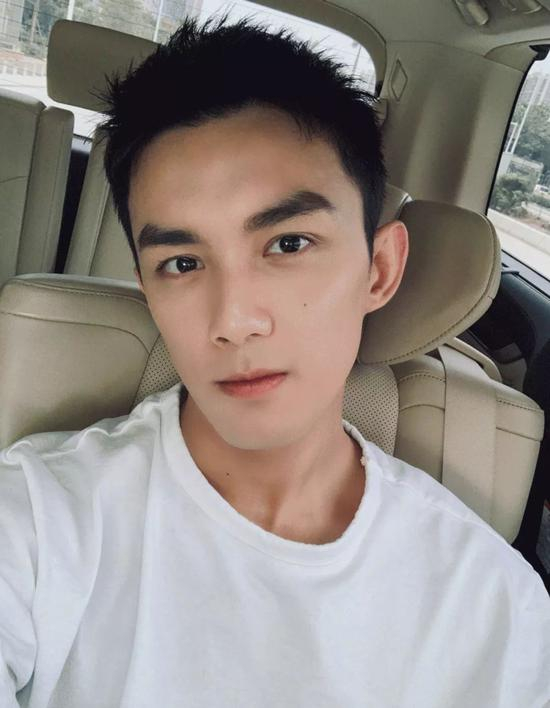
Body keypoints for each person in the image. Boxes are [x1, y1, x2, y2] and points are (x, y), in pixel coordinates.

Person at [1, 13, 549, 708]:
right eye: (181, 263)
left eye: (288, 244)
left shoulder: (495, 603)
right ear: (148, 289)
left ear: (379, 269)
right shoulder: (36, 518)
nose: (233, 321)